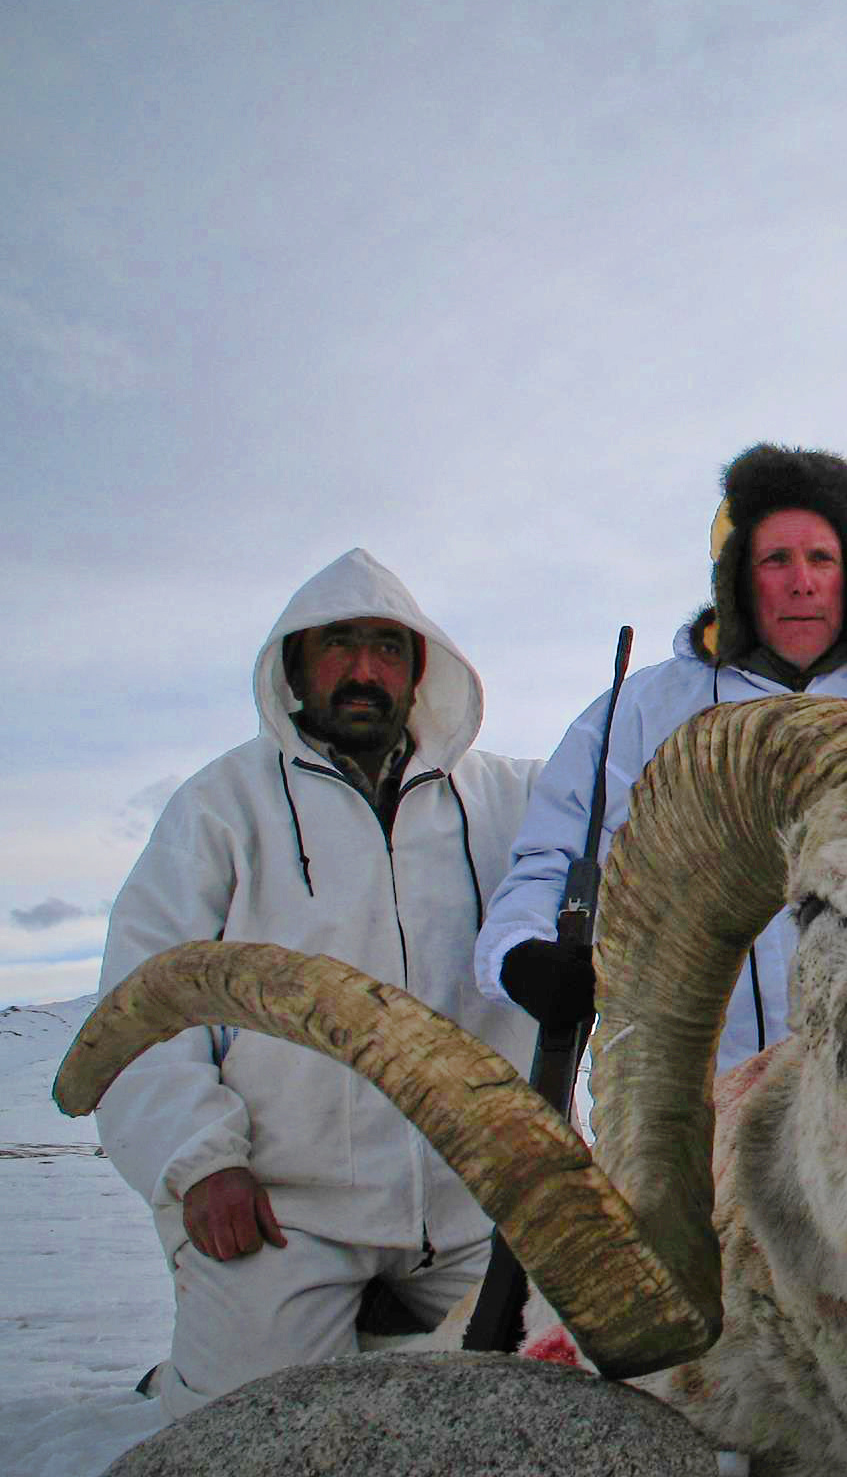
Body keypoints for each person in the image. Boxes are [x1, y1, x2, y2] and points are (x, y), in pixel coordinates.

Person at [95, 549, 543, 1419]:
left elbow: (632, 811)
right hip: (287, 1209)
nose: (365, 669)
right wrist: (202, 1165)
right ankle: (196, 1372)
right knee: (247, 1427)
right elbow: (144, 1007)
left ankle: (383, 1335)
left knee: (572, 1389)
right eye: (339, 644)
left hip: (476, 1205)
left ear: (422, 670)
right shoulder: (219, 809)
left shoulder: (513, 802)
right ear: (294, 668)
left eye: (388, 646)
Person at [476, 444, 847, 1070]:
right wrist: (523, 952)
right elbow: (554, 858)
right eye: (776, 559)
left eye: (821, 558)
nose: (802, 581)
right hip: (709, 1096)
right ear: (739, 577)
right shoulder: (639, 713)